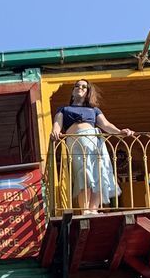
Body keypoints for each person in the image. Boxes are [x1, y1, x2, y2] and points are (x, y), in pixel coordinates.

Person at [51, 80, 136, 212]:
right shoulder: (64, 109)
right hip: (76, 143)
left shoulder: (94, 110)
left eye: (84, 87)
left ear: (88, 92)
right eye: (77, 86)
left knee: (98, 174)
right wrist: (55, 132)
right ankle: (85, 209)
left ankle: (93, 210)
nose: (80, 88)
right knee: (83, 174)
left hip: (94, 142)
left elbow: (106, 125)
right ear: (73, 91)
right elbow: (57, 124)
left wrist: (120, 132)